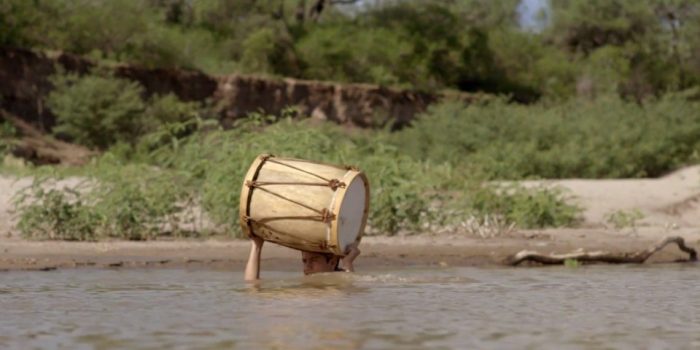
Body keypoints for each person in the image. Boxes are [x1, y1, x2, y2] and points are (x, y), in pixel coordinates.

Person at [244, 235, 361, 281]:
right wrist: (256, 246)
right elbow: (252, 285)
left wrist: (347, 262)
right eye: (304, 261)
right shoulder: (305, 282)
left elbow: (348, 285)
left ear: (332, 262)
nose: (307, 266)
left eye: (314, 260)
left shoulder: (338, 281)